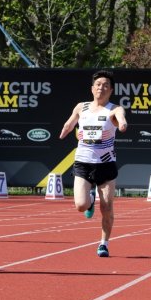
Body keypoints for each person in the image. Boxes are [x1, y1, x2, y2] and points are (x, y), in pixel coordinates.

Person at [59, 70, 128, 258]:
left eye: (105, 85)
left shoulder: (114, 109)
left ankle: (104, 243)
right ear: (92, 88)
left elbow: (121, 118)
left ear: (111, 90)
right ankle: (90, 201)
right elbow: (70, 123)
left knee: (107, 207)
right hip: (83, 162)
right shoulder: (81, 107)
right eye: (98, 84)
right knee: (80, 206)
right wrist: (64, 131)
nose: (101, 87)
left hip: (106, 164)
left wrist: (122, 125)